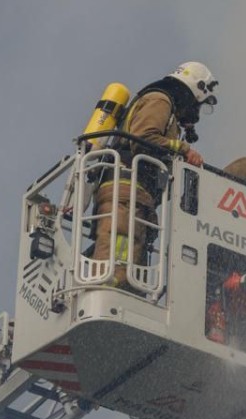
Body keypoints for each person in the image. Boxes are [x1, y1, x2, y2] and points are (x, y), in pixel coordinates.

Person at [92, 61, 218, 287]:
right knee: (118, 256)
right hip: (127, 189)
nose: (195, 112)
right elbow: (144, 137)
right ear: (193, 91)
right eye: (197, 105)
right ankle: (108, 288)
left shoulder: (165, 106)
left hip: (137, 194)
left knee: (132, 257)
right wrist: (183, 149)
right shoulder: (160, 100)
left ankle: (123, 292)